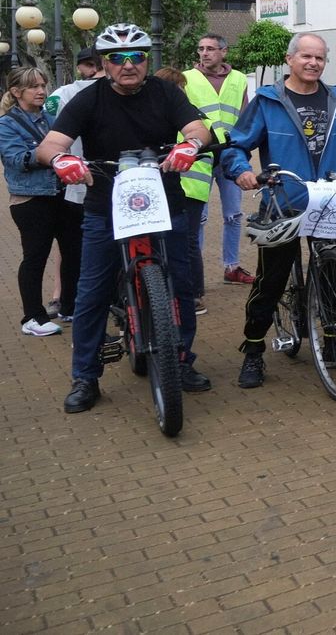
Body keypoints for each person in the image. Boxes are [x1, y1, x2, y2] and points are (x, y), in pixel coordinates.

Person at [35, 24, 212, 413]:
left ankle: (181, 362)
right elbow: (50, 144)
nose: (127, 65)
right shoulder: (88, 99)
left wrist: (191, 144)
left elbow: (199, 127)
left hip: (166, 203)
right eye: (117, 58)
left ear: (148, 60)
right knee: (91, 291)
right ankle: (85, 376)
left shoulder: (165, 92)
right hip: (106, 207)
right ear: (103, 63)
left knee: (180, 285)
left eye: (137, 57)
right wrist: (61, 159)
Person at [219, 32, 336, 390]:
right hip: (283, 201)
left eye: (320, 58)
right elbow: (236, 145)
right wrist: (241, 171)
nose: (313, 63)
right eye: (306, 56)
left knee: (334, 275)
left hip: (330, 200)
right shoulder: (268, 101)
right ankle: (253, 349)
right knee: (271, 280)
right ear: (290, 59)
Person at [2, 67, 79, 335]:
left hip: (62, 194)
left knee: (74, 252)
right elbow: (15, 159)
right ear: (16, 91)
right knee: (35, 257)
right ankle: (32, 318)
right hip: (30, 200)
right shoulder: (6, 123)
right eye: (34, 86)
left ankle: (70, 307)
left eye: (43, 85)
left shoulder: (51, 117)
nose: (41, 91)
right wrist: (50, 155)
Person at [183, 34, 256, 314]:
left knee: (234, 214)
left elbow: (246, 114)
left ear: (224, 52)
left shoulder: (238, 79)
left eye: (210, 49)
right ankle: (194, 270)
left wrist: (245, 147)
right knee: (197, 216)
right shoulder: (187, 78)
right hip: (198, 154)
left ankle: (232, 266)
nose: (204, 53)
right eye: (200, 49)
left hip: (229, 153)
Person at [43, 48, 103, 317]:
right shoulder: (100, 92)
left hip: (73, 181)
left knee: (70, 245)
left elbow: (45, 123)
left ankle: (61, 297)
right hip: (83, 180)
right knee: (76, 245)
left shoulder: (61, 94)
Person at [156, 65, 210, 316]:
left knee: (187, 242)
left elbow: (212, 139)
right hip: (166, 186)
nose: (178, 92)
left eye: (179, 88)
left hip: (191, 186)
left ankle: (195, 294)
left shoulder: (190, 113)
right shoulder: (156, 113)